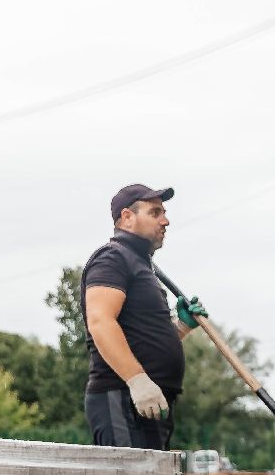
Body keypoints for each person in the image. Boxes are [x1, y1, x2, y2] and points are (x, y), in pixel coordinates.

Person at [81, 184, 208, 449]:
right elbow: (101, 322)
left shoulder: (142, 266)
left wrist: (182, 326)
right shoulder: (112, 258)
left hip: (151, 401)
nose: (166, 220)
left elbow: (145, 338)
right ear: (127, 217)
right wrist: (136, 380)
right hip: (123, 398)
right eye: (155, 212)